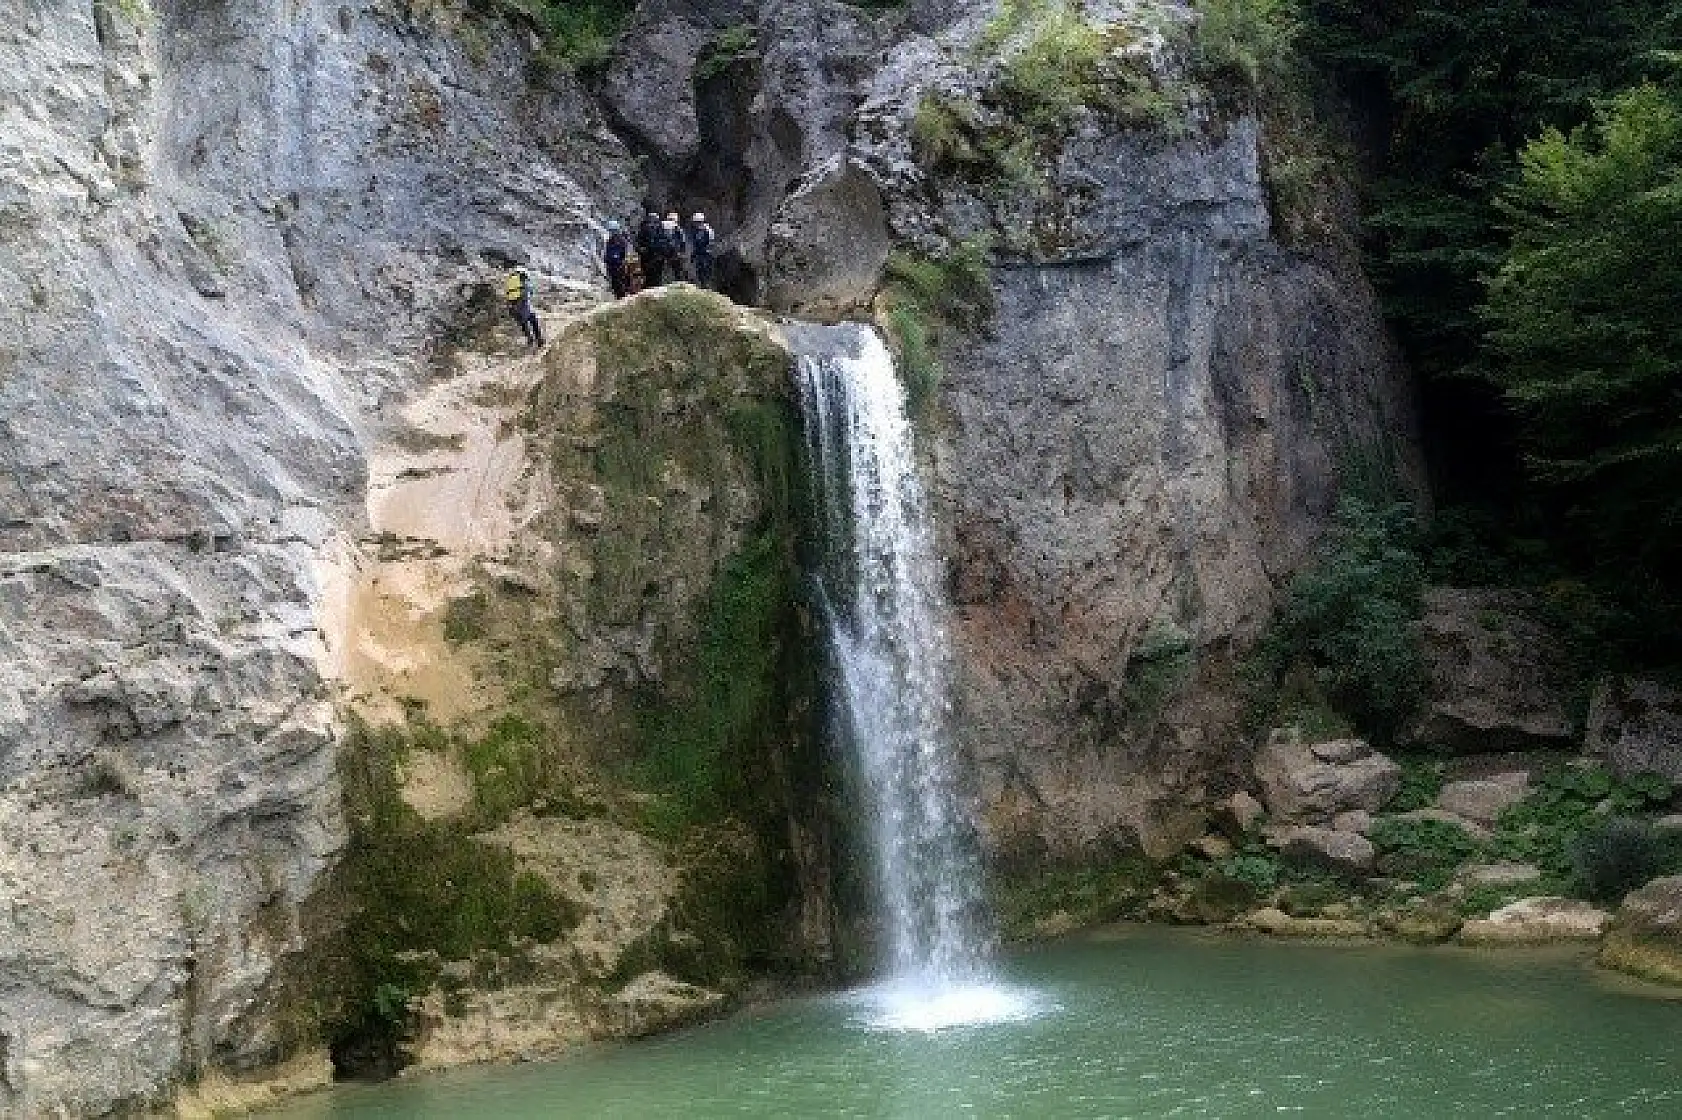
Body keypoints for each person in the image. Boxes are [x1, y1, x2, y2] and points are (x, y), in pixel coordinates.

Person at [505, 266, 543, 347]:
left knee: (523, 323)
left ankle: (530, 339)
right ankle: (539, 340)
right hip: (524, 304)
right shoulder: (522, 279)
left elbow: (508, 294)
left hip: (513, 306)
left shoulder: (510, 281)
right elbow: (530, 290)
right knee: (533, 320)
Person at [603, 220, 633, 298]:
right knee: (618, 285)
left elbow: (615, 254)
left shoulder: (617, 240)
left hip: (617, 266)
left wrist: (610, 259)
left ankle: (622, 298)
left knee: (619, 286)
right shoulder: (618, 240)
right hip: (617, 266)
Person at [687, 212, 716, 289]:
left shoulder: (707, 230)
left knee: (705, 270)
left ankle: (706, 285)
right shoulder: (696, 231)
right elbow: (694, 242)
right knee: (699, 269)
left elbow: (710, 243)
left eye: (696, 222)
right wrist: (693, 254)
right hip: (699, 253)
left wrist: (707, 251)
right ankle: (702, 284)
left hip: (706, 253)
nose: (695, 224)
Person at [636, 211, 664, 287]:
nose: (652, 223)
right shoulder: (644, 230)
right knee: (650, 276)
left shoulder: (659, 230)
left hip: (655, 257)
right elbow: (638, 243)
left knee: (655, 277)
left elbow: (663, 242)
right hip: (648, 257)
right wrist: (640, 249)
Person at [659, 212, 687, 282]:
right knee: (677, 268)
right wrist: (682, 251)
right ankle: (678, 282)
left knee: (663, 269)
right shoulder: (676, 226)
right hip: (674, 249)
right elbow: (682, 239)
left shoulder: (661, 224)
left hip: (662, 249)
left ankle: (663, 282)